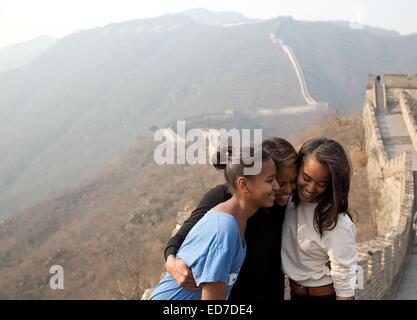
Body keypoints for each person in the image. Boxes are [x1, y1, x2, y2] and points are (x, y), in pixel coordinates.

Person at [163, 137, 298, 300]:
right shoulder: (224, 204)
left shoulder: (286, 207)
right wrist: (171, 262)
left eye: (293, 182)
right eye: (278, 181)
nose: (287, 189)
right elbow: (182, 236)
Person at [281, 137, 357, 300]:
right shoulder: (287, 203)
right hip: (294, 293)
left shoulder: (336, 221)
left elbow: (345, 282)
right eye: (306, 178)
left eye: (321, 184)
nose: (310, 188)